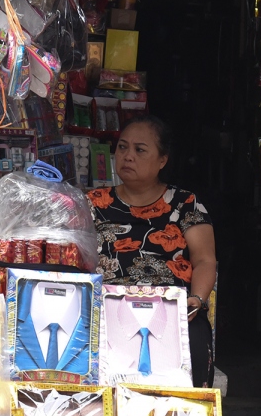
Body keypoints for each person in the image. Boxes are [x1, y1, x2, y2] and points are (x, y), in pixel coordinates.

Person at [88, 115, 218, 387]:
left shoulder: (185, 203)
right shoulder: (93, 202)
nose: (128, 156)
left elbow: (205, 260)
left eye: (140, 149)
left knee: (193, 334)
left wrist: (196, 299)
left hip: (170, 310)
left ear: (162, 160)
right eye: (122, 147)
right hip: (106, 309)